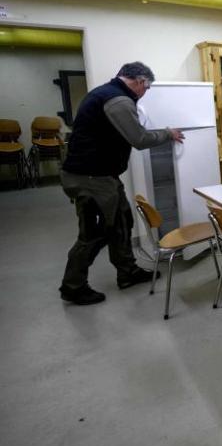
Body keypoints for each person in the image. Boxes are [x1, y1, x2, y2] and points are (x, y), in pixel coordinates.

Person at [59, 62, 184, 306]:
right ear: (138, 81)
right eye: (146, 87)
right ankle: (73, 286)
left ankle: (127, 272)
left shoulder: (106, 93)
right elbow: (138, 138)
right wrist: (168, 133)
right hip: (90, 178)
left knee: (121, 221)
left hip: (101, 176)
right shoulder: (119, 100)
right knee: (94, 234)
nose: (145, 92)